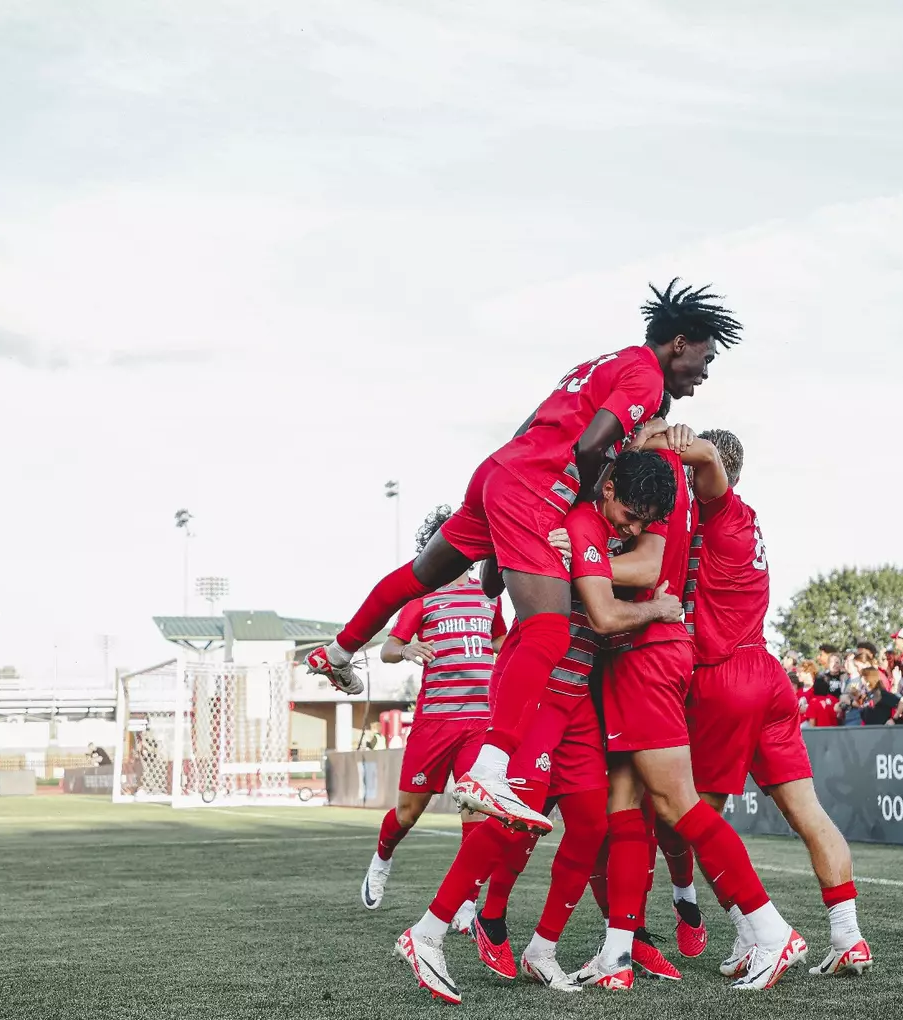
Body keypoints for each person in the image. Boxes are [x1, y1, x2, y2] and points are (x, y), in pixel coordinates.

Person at [306, 280, 741, 835]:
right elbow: (589, 447)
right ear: (679, 343)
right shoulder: (646, 377)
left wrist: (498, 547)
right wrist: (580, 502)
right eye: (703, 363)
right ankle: (490, 767)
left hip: (498, 470)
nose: (700, 379)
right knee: (549, 632)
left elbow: (529, 424)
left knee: (420, 576)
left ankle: (341, 650)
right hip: (535, 490)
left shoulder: (602, 361)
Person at [392, 450, 685, 1004]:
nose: (636, 525)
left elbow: (636, 571)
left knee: (590, 824)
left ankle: (542, 949)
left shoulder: (608, 533)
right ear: (608, 486)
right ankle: (427, 933)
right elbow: (603, 616)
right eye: (630, 512)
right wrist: (659, 609)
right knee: (508, 822)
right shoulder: (576, 523)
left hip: (575, 699)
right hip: (539, 692)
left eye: (646, 519)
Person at [578, 427, 807, 993]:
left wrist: (577, 561)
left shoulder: (659, 474)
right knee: (626, 802)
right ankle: (616, 952)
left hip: (649, 653)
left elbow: (651, 566)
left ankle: (772, 930)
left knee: (678, 804)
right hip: (652, 653)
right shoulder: (673, 477)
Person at [677, 428, 872, 981]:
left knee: (696, 819)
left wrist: (658, 441)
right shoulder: (745, 518)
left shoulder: (721, 511)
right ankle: (847, 936)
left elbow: (708, 458)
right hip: (767, 672)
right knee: (807, 813)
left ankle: (757, 931)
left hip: (727, 676)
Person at [362, 506, 507, 911]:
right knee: (408, 813)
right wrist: (406, 648)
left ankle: (465, 902)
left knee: (475, 808)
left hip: (481, 720)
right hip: (436, 721)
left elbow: (501, 643)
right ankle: (382, 859)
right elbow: (389, 649)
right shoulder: (422, 596)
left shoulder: (489, 596)